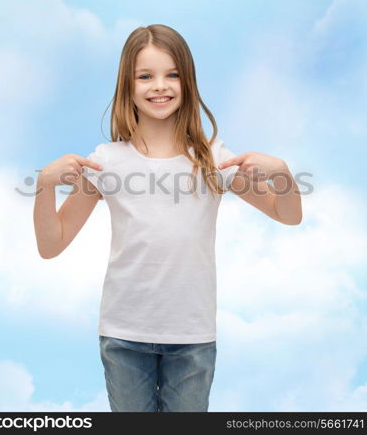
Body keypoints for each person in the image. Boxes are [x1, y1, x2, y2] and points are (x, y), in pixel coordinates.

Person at [33, 24, 302, 412]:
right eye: (146, 76)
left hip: (191, 335)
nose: (160, 85)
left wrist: (283, 175)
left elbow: (287, 214)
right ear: (127, 84)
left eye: (172, 74)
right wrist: (44, 185)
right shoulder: (106, 161)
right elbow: (51, 244)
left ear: (187, 81)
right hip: (123, 335)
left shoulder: (213, 158)